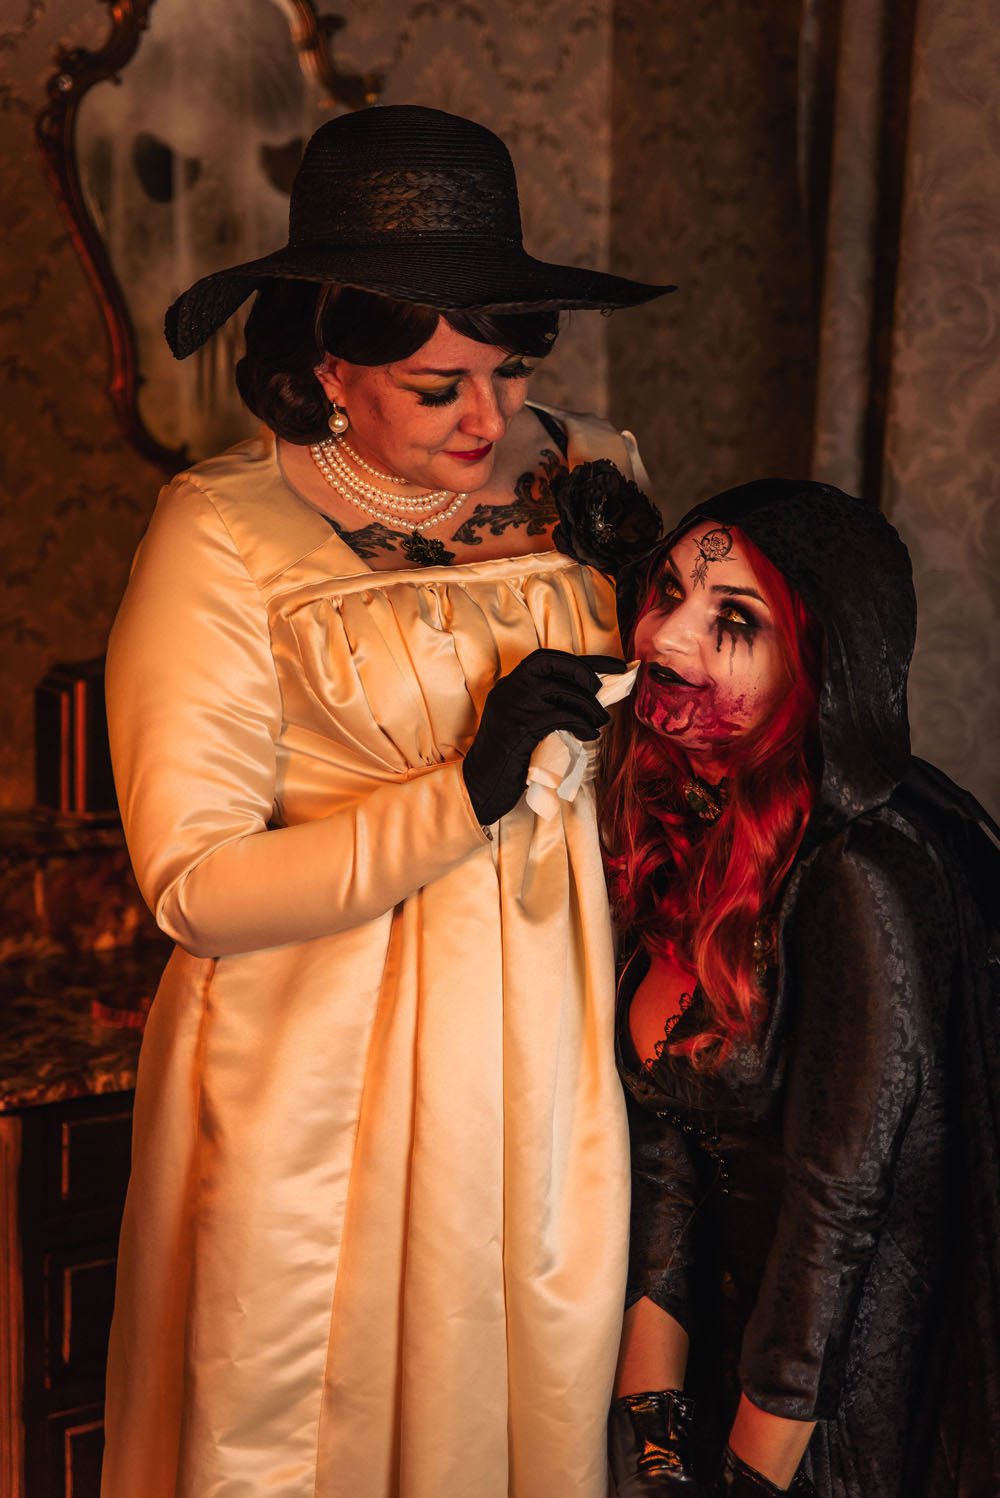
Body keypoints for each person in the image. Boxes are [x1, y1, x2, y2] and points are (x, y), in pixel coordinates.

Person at [101, 106, 671, 1498]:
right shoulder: (220, 532)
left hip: (550, 1029)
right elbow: (194, 884)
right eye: (436, 386)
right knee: (312, 1415)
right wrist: (461, 792)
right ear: (328, 369)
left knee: (530, 1376)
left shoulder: (593, 466)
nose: (492, 418)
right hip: (322, 1059)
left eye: (510, 367)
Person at [586, 477, 1000, 1497]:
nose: (665, 636)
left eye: (733, 621)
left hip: (839, 1413)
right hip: (729, 1366)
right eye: (668, 591)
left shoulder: (861, 874)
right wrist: (651, 1437)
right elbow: (667, 1157)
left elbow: (838, 1213)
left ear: (817, 667)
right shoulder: (689, 823)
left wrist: (747, 1478)